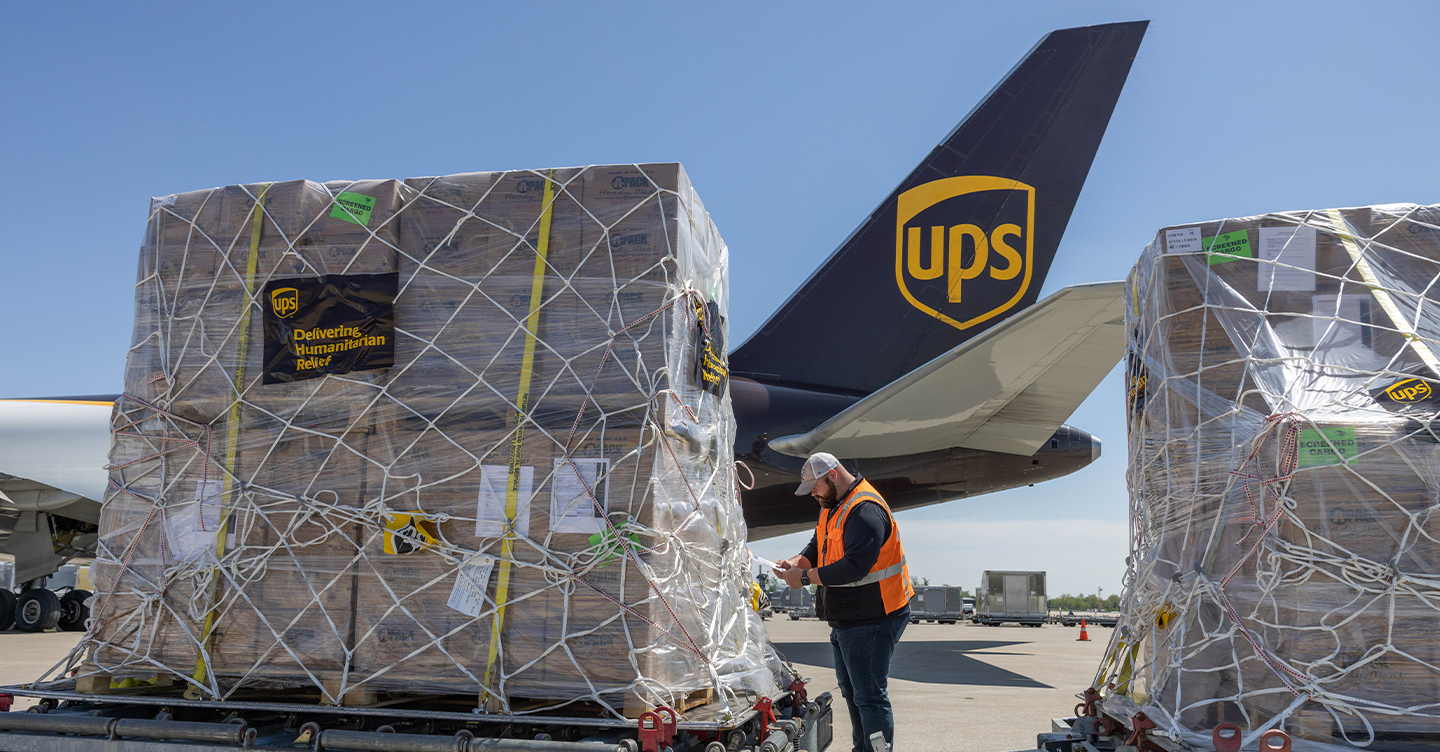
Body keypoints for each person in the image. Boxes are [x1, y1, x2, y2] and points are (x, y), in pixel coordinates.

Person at [774, 452, 912, 752]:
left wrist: (805, 577)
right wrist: (796, 562)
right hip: (849, 619)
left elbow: (855, 566)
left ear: (833, 475)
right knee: (853, 694)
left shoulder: (864, 510)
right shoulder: (833, 506)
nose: (813, 493)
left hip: (874, 618)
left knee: (869, 697)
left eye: (816, 486)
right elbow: (817, 544)